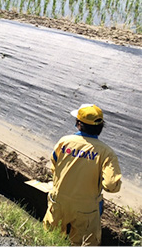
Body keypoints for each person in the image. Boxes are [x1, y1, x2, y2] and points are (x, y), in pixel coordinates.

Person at [43, 104, 122, 246]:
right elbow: (111, 186)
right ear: (101, 127)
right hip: (87, 208)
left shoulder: (64, 142)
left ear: (79, 124)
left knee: (50, 240)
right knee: (84, 243)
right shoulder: (106, 153)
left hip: (59, 200)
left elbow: (54, 167)